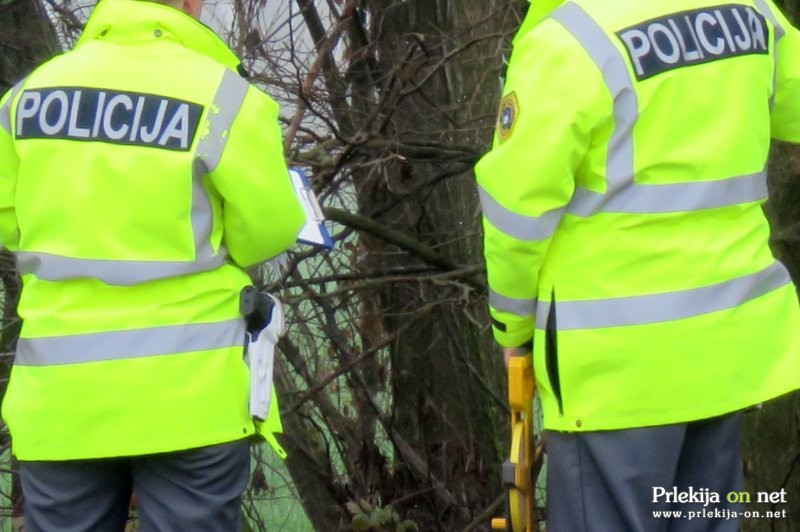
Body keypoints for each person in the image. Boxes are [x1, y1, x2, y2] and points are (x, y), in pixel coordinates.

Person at [475, 0, 800, 530]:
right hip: (727, 353)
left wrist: (513, 329)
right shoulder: (751, 13)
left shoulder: (569, 41)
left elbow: (517, 216)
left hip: (615, 376)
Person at [0, 0, 305, 529]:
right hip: (192, 394)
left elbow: (9, 223)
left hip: (62, 395)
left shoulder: (27, 97)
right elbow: (268, 233)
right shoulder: (226, 98)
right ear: (190, 4)